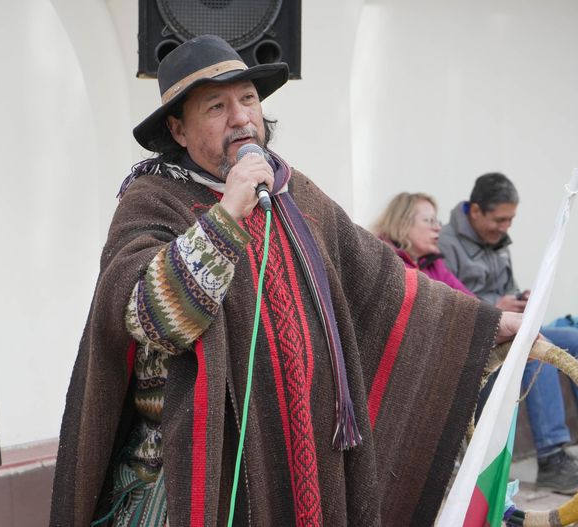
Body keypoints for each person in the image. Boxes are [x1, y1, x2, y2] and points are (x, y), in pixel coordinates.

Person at [49, 35, 523, 526]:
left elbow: (388, 285)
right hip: (190, 479)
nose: (241, 117)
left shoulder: (298, 196)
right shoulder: (152, 201)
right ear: (179, 130)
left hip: (305, 464)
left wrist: (488, 324)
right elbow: (151, 316)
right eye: (216, 106)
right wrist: (230, 210)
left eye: (249, 99)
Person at [438, 172, 578, 495]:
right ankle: (552, 458)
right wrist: (496, 305)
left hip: (512, 325)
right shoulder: (446, 244)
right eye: (500, 219)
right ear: (476, 210)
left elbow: (506, 291)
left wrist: (522, 299)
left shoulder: (498, 242)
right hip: (485, 335)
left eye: (511, 220)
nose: (505, 227)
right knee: (534, 350)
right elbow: (450, 300)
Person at [373, 192, 470, 294]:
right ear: (402, 223)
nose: (438, 228)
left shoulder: (434, 263)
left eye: (437, 221)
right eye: (429, 220)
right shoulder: (387, 263)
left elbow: (468, 299)